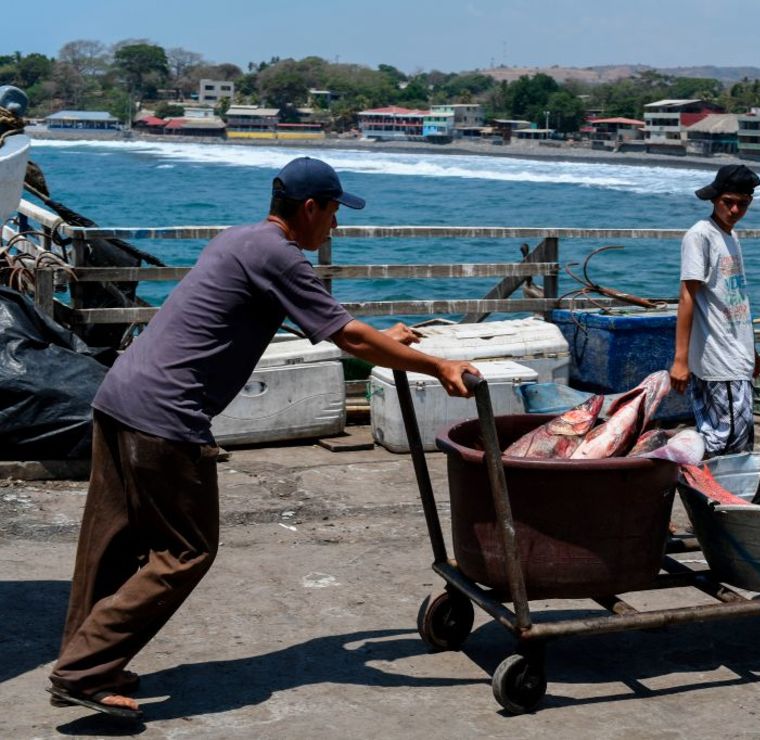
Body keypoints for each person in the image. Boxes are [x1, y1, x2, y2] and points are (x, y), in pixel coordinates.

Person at [47, 157, 479, 720]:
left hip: (120, 396)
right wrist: (438, 365)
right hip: (166, 417)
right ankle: (82, 671)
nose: (335, 227)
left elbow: (331, 326)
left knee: (113, 539)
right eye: (333, 213)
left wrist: (387, 341)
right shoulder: (281, 256)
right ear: (309, 208)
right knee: (186, 551)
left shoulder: (240, 241)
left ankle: (87, 660)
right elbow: (347, 334)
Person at [669, 164, 760, 457]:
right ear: (715, 199)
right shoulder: (701, 235)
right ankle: (698, 490)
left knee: (738, 438)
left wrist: (753, 351)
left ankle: (714, 496)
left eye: (743, 204)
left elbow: (736, 300)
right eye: (728, 202)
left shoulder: (731, 238)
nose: (735, 210)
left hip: (738, 357)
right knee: (725, 441)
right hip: (718, 361)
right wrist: (680, 360)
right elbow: (686, 296)